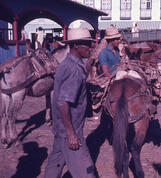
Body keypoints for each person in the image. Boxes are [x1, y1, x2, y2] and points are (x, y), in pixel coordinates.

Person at [43, 28, 96, 178]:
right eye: (87, 44)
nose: (90, 47)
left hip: (60, 128)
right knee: (87, 173)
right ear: (76, 45)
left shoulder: (67, 63)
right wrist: (71, 133)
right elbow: (62, 102)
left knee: (56, 164)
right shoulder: (74, 70)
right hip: (71, 130)